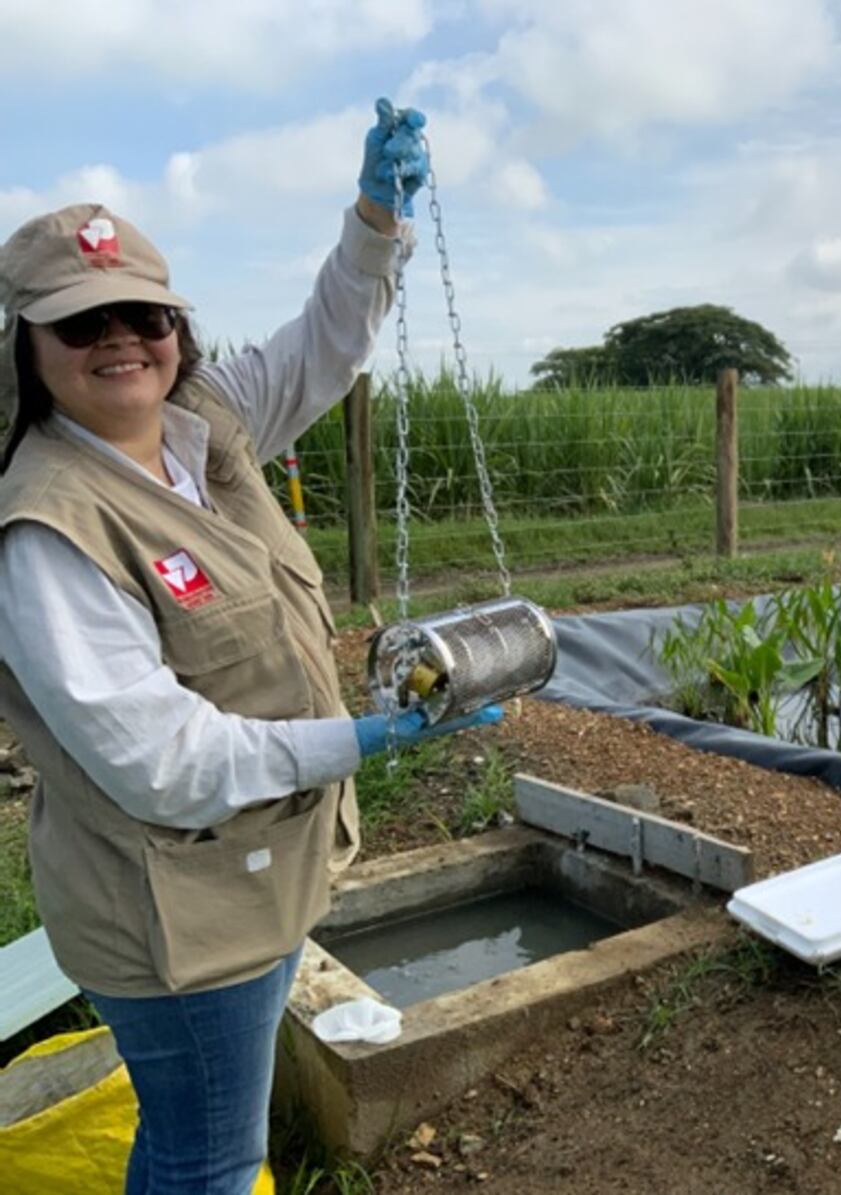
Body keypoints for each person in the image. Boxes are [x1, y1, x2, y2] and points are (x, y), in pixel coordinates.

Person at [0, 98, 497, 1195]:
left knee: (198, 1142)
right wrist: (357, 737)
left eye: (144, 311)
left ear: (177, 327)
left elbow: (328, 341)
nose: (121, 338)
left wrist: (375, 218)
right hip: (176, 915)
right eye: (82, 324)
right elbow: (161, 762)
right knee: (209, 1159)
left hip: (257, 880)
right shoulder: (47, 529)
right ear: (30, 350)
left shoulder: (206, 426)